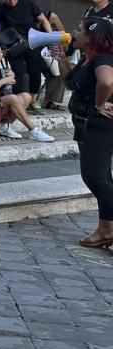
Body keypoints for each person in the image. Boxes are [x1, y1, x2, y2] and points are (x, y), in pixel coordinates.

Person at [64, 19, 113, 250]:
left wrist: (99, 103)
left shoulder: (102, 57)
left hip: (99, 125)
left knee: (94, 177)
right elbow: (73, 83)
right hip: (88, 124)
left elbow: (107, 81)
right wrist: (60, 59)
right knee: (103, 177)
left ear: (90, 37)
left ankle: (108, 229)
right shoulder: (88, 58)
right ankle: (107, 228)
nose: (75, 33)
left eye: (79, 30)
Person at [0, 41, 55, 143]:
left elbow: (1, 87)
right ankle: (33, 130)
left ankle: (4, 125)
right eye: (1, 52)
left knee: (26, 96)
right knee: (12, 98)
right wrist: (3, 81)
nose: (2, 54)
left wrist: (8, 77)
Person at [0, 0, 54, 106]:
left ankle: (33, 99)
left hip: (33, 40)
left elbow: (43, 20)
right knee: (18, 72)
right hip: (13, 44)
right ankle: (19, 101)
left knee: (35, 70)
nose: (12, 1)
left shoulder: (28, 3)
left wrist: (50, 36)